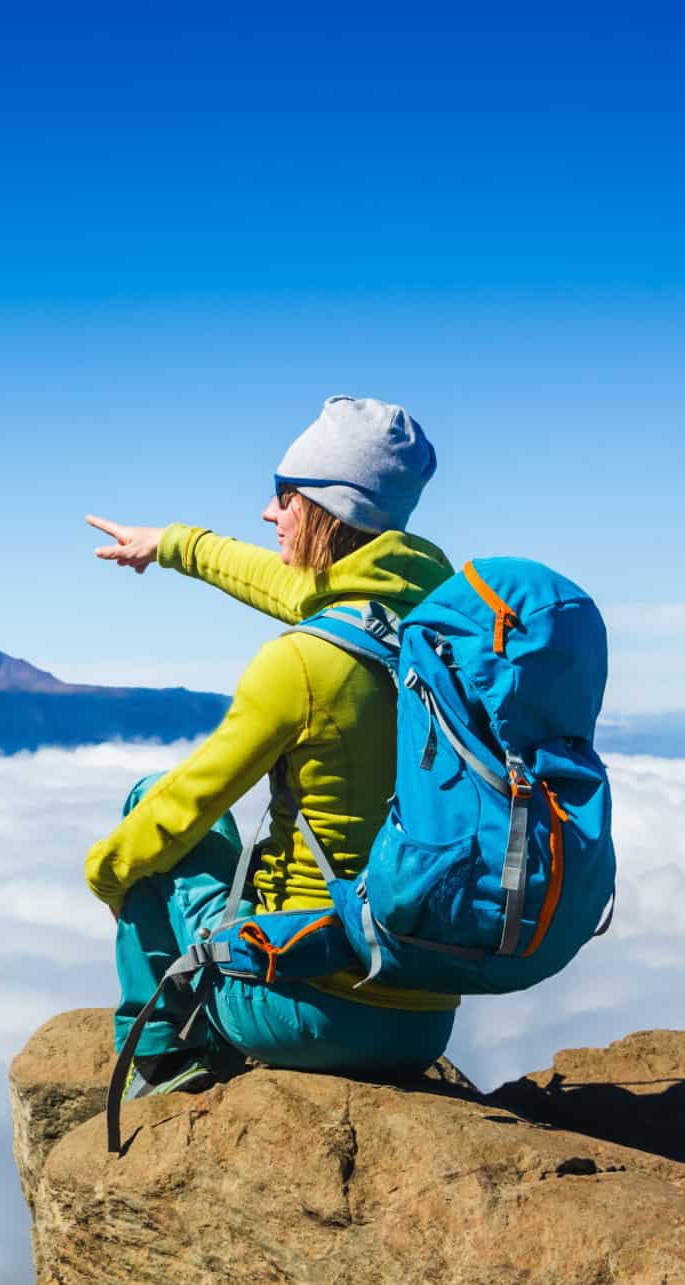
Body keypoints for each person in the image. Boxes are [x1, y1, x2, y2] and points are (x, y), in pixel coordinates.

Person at [83, 394, 457, 1098]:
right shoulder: (438, 634)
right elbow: (297, 590)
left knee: (148, 808)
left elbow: (182, 809)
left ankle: (166, 1056)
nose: (267, 514)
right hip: (424, 1015)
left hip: (306, 1011)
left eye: (282, 497)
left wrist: (105, 874)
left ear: (324, 509)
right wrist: (170, 543)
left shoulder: (302, 666)